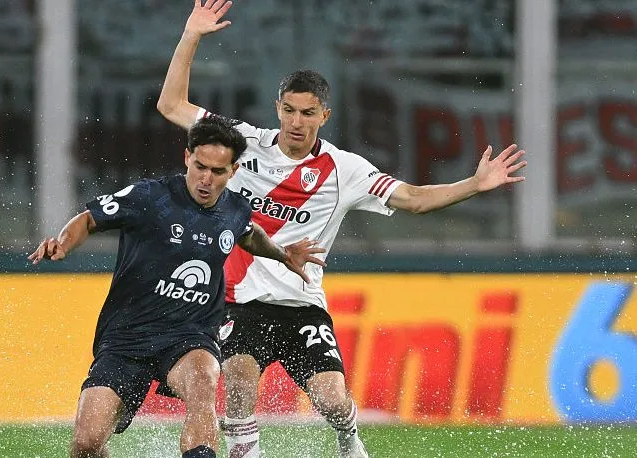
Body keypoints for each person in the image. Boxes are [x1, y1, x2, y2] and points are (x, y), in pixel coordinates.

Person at [156, 2, 527, 457]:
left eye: (308, 113)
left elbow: (411, 198)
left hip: (301, 302)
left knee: (332, 399)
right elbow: (171, 104)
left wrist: (474, 184)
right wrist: (191, 34)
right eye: (289, 110)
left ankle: (349, 439)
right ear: (277, 108)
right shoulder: (242, 143)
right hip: (238, 298)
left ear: (324, 116)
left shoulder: (344, 170)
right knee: (238, 377)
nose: (296, 122)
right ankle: (244, 453)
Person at [28, 115, 326, 458]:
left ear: (234, 171)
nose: (205, 179)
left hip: (191, 335)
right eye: (199, 166)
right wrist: (64, 244)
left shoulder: (235, 209)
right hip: (127, 337)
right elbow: (90, 218)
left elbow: (248, 234)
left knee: (202, 383)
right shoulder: (149, 197)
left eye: (217, 172)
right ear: (187, 157)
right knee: (86, 443)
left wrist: (283, 254)